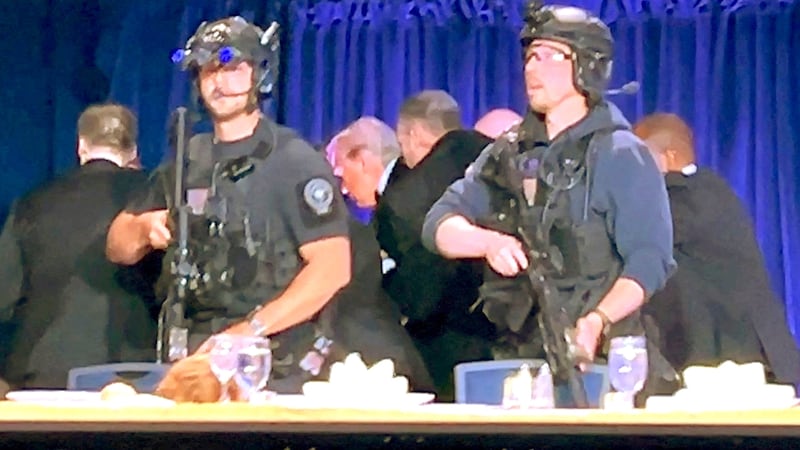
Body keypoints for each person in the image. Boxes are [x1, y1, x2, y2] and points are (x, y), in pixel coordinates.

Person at [421, 1, 678, 405]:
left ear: (586, 66)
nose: (531, 68)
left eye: (548, 56)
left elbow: (650, 261)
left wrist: (597, 320)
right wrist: (487, 242)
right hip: (521, 368)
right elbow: (438, 225)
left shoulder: (620, 153)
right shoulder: (507, 153)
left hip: (604, 367)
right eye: (529, 56)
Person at [106, 17, 351, 393]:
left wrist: (248, 332)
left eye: (233, 69)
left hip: (275, 363)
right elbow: (117, 246)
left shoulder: (294, 160)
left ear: (259, 75)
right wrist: (143, 228)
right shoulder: (188, 158)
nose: (219, 83)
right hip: (194, 361)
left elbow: (332, 268)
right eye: (208, 71)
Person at [633, 112, 800, 385]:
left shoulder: (691, 195)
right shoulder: (701, 194)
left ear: (669, 157)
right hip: (722, 367)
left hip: (748, 370)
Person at [0, 103, 158, 389]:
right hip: (130, 372)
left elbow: (4, 297)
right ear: (133, 151)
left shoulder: (30, 202)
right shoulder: (154, 195)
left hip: (42, 371)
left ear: (81, 146)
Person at [376, 90, 497, 401]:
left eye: (402, 148)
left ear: (413, 135)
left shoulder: (405, 199)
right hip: (511, 334)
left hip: (446, 347)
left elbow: (415, 295)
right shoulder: (498, 159)